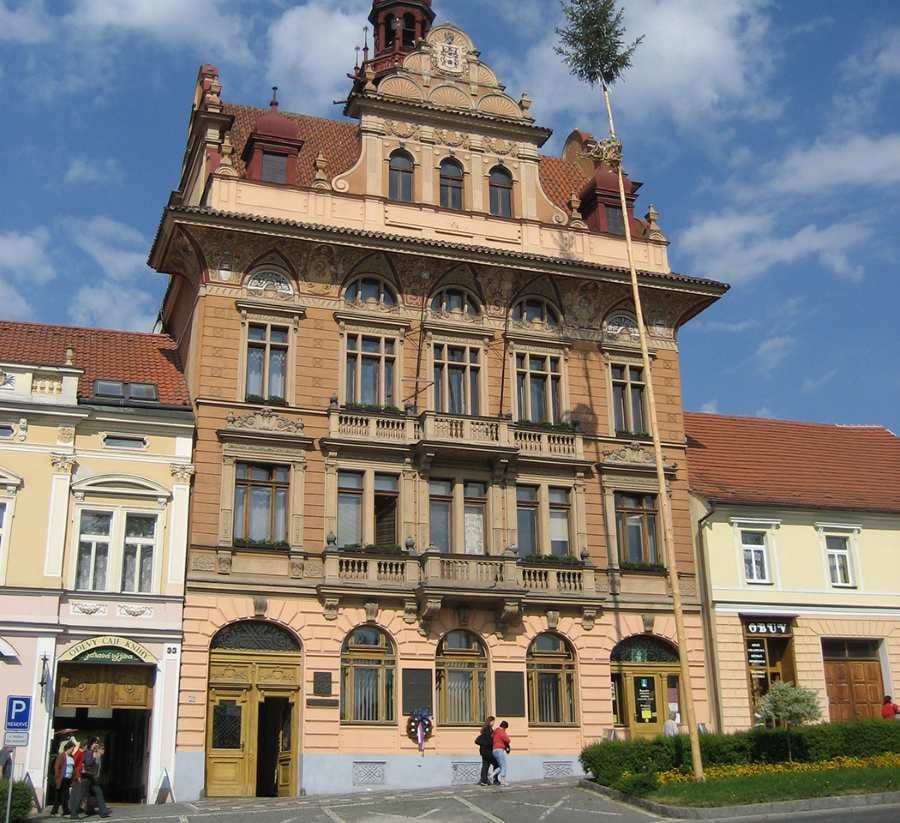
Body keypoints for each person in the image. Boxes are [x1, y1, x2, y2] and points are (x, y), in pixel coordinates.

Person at [70, 738, 110, 819]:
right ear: (92, 744)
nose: (96, 744)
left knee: (99, 792)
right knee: (81, 795)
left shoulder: (91, 752)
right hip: (86, 777)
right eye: (95, 743)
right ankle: (73, 813)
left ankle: (103, 812)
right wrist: (94, 757)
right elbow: (88, 763)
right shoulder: (88, 752)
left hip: (91, 777)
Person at [51, 742, 77, 816]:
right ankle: (63, 812)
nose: (73, 750)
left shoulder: (71, 757)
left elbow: (73, 768)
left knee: (64, 795)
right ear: (68, 748)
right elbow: (57, 767)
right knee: (62, 796)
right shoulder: (62, 756)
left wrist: (73, 778)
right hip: (62, 778)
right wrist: (58, 778)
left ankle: (56, 811)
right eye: (72, 749)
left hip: (68, 779)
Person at [475, 716, 498, 786]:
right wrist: (490, 743)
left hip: (484, 751)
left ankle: (484, 780)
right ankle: (494, 779)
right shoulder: (488, 730)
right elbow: (489, 740)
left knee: (485, 765)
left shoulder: (487, 729)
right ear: (490, 722)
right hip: (487, 751)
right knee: (497, 764)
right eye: (493, 721)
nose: (494, 723)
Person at [492, 720, 511, 786]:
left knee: (500, 766)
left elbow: (492, 737)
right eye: (506, 728)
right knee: (504, 766)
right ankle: (503, 781)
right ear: (505, 727)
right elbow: (507, 740)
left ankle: (492, 775)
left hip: (494, 750)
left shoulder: (495, 731)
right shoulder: (501, 731)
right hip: (499, 750)